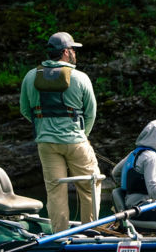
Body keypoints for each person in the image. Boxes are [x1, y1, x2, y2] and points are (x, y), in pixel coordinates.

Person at [20, 31, 100, 231]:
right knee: (90, 185)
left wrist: (43, 128)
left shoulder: (30, 76)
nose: (74, 53)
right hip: (76, 142)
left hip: (46, 144)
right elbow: (91, 113)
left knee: (56, 191)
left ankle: (60, 235)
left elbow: (24, 109)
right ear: (65, 52)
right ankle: (90, 231)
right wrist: (84, 136)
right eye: (73, 49)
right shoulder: (81, 78)